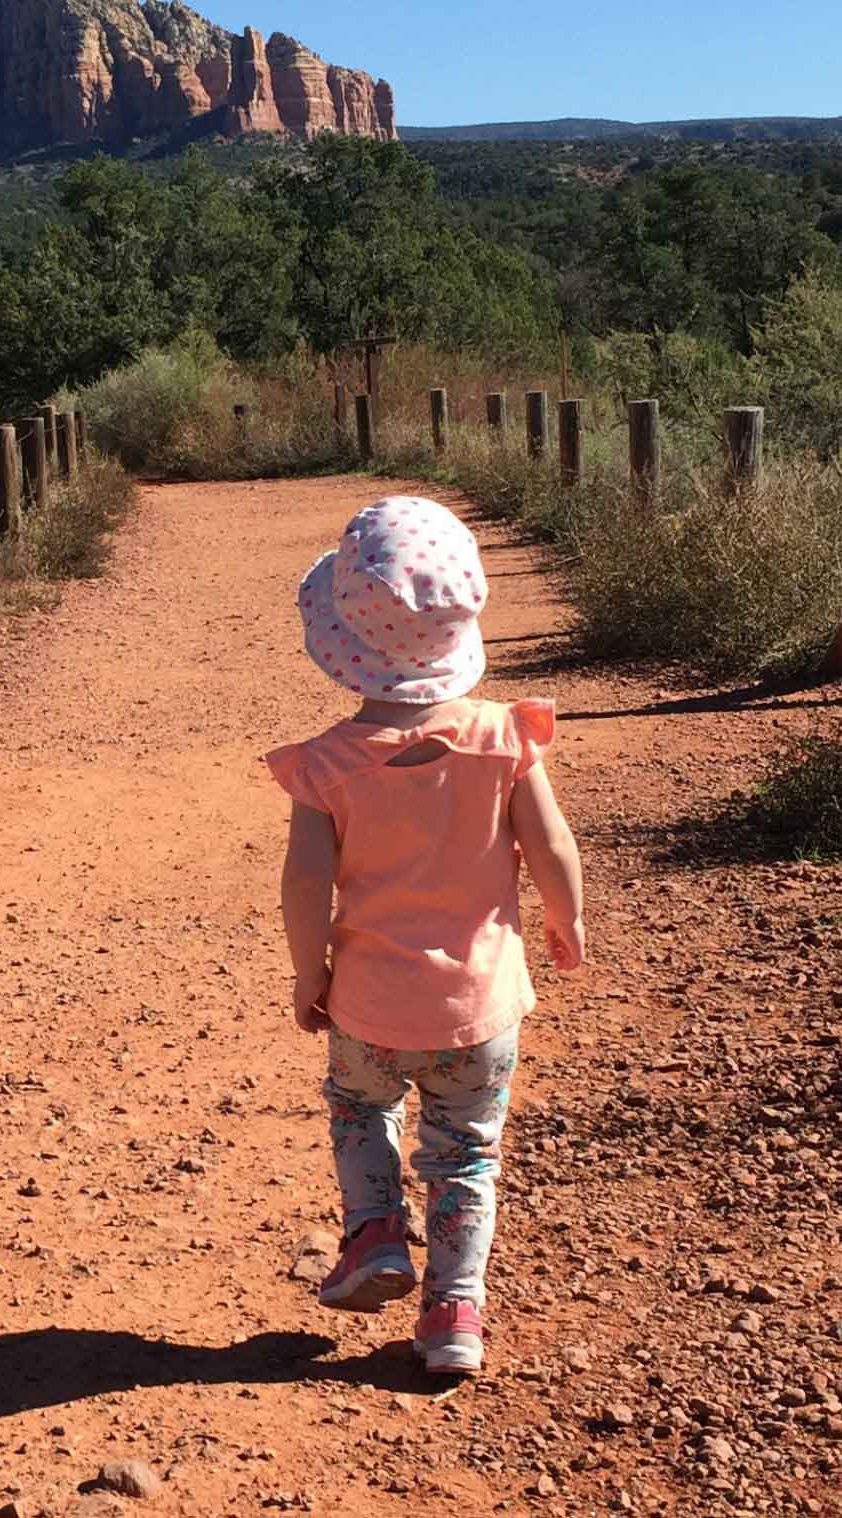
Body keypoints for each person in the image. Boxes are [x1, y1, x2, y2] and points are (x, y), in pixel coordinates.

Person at [266, 495, 586, 1377]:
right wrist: (565, 918)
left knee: (360, 1106)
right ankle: (453, 1311)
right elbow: (551, 845)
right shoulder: (504, 739)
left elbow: (306, 883)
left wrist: (308, 971)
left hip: (368, 1001)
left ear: (343, 640)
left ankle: (373, 1231)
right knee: (466, 1154)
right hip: (481, 1012)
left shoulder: (326, 765)